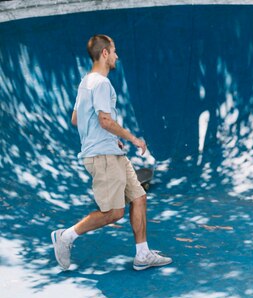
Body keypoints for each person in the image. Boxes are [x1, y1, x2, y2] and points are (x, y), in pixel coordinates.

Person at [51, 34, 172, 271]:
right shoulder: (102, 83)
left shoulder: (86, 82)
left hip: (110, 152)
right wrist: (132, 139)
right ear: (104, 53)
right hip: (102, 158)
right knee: (113, 213)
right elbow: (105, 120)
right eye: (114, 51)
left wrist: (109, 138)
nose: (117, 55)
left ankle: (143, 254)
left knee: (139, 197)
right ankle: (66, 236)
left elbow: (76, 119)